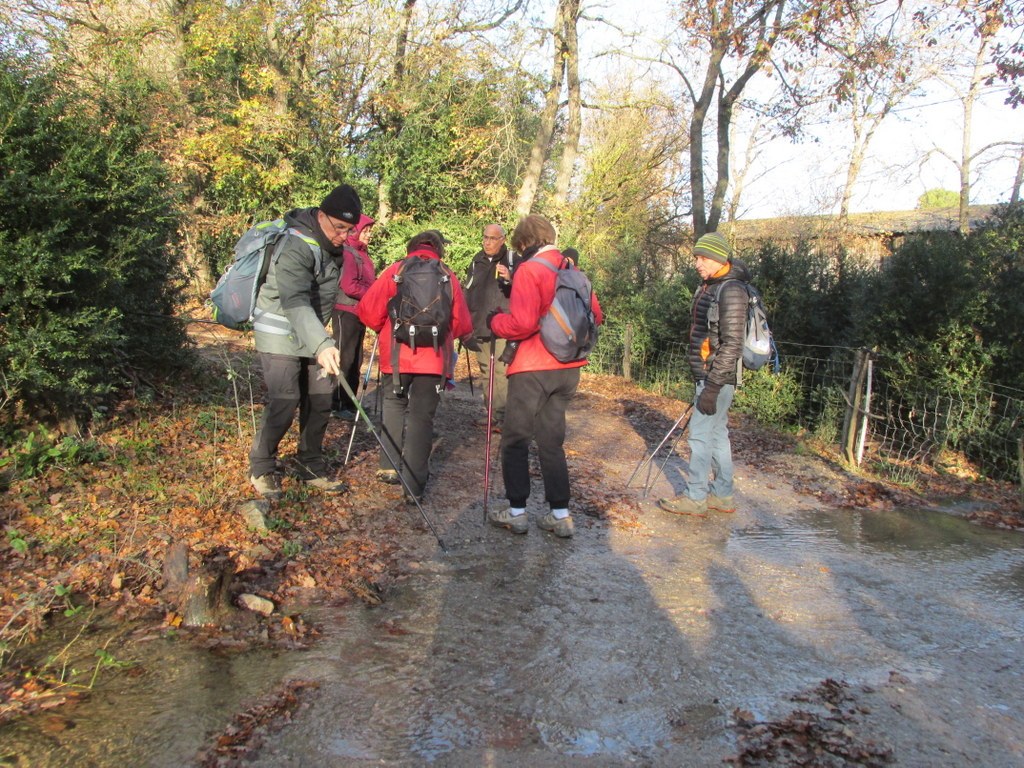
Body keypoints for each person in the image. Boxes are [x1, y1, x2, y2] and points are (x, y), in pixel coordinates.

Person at [485, 215, 603, 538]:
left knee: (516, 438)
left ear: (524, 243)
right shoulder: (574, 272)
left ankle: (517, 512)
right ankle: (560, 514)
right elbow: (598, 315)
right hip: (568, 369)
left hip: (533, 366)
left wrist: (496, 323)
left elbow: (522, 324)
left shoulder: (530, 270)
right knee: (552, 441)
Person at [248, 184, 362, 498]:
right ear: (321, 216)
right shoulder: (296, 244)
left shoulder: (334, 247)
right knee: (285, 399)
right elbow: (295, 300)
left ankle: (310, 464)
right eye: (339, 227)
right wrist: (323, 344)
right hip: (279, 331)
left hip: (311, 332)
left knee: (321, 396)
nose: (343, 236)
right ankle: (261, 465)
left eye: (349, 230)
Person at [356, 230, 476, 502]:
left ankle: (388, 467)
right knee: (422, 419)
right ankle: (413, 486)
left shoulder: (396, 270)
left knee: (393, 404)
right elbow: (461, 323)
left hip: (397, 354)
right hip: (432, 360)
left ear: (411, 246)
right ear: (438, 249)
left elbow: (367, 309)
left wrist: (385, 329)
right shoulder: (448, 275)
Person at [658, 231, 745, 516]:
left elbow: (732, 343)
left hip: (715, 378)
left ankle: (695, 497)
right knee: (718, 435)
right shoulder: (711, 285)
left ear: (719, 259)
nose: (697, 262)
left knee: (699, 435)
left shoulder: (730, 290)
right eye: (696, 257)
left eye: (702, 257)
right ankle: (722, 495)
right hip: (712, 376)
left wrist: (712, 386)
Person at [463, 223, 518, 432]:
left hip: (505, 325)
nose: (487, 242)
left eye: (493, 238)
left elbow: (525, 288)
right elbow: (468, 291)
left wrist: (511, 279)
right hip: (480, 325)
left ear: (503, 239)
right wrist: (464, 322)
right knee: (487, 371)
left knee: (502, 372)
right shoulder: (476, 261)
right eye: (485, 237)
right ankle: (491, 415)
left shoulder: (513, 260)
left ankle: (502, 417)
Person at [331, 214, 377, 418]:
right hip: (345, 311)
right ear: (355, 230)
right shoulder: (348, 253)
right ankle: (337, 403)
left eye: (370, 231)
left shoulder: (364, 255)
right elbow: (349, 286)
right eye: (365, 230)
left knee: (356, 359)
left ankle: (350, 403)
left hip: (359, 313)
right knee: (345, 358)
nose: (369, 234)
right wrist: (374, 295)